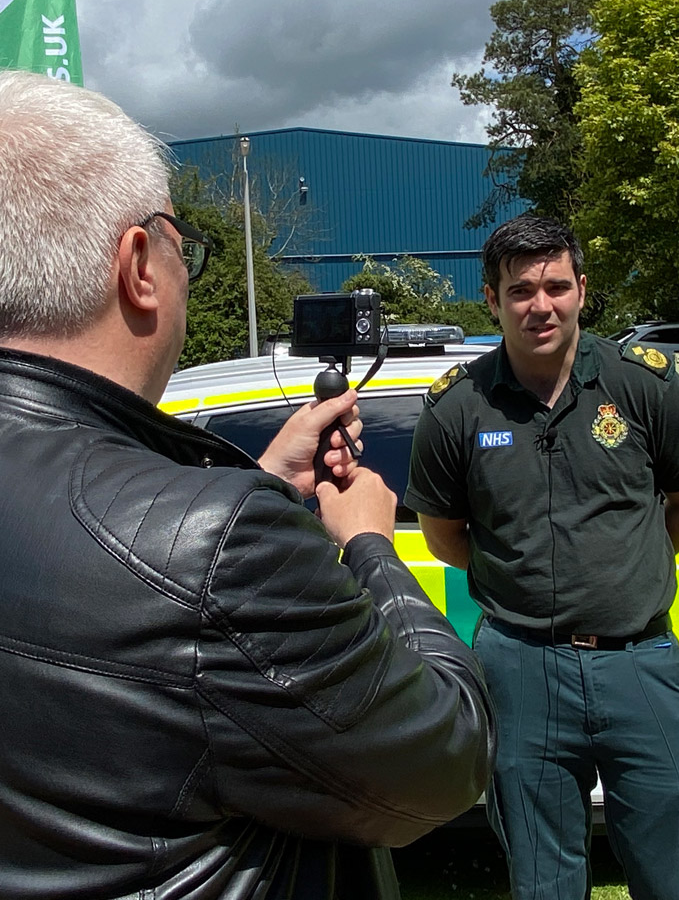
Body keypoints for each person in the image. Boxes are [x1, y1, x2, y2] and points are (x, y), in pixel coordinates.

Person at [0, 69, 494, 900]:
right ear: (138, 265)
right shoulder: (215, 547)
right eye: (178, 240)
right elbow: (443, 758)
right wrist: (371, 541)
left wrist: (256, 481)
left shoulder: (196, 534)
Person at [406, 214, 679, 900]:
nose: (540, 306)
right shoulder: (457, 407)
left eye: (555, 286)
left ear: (582, 289)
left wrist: (624, 567)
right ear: (491, 301)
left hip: (640, 662)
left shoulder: (645, 385)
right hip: (520, 668)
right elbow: (444, 535)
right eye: (520, 291)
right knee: (543, 881)